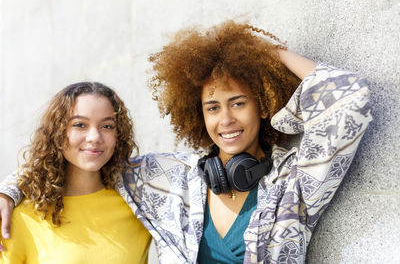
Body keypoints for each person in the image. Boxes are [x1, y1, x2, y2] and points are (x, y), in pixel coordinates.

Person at [0, 21, 372, 263]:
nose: (225, 119)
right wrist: (9, 191)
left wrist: (267, 57)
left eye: (238, 102)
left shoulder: (296, 185)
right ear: (198, 115)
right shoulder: (169, 179)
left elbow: (349, 98)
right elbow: (87, 153)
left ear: (263, 105)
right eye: (212, 107)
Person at [0, 82, 151, 263]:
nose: (95, 137)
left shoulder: (140, 206)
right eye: (80, 125)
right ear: (57, 132)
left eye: (107, 126)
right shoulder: (20, 216)